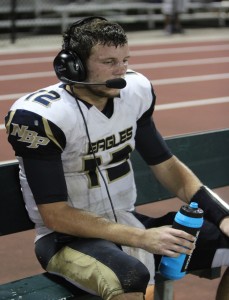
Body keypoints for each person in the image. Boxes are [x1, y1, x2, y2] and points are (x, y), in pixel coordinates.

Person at [5, 16, 229, 300]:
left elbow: (167, 165)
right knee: (130, 277)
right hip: (68, 240)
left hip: (127, 221)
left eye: (125, 60)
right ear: (73, 65)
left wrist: (221, 215)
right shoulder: (42, 117)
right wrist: (143, 238)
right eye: (109, 62)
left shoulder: (134, 93)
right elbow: (55, 215)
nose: (121, 70)